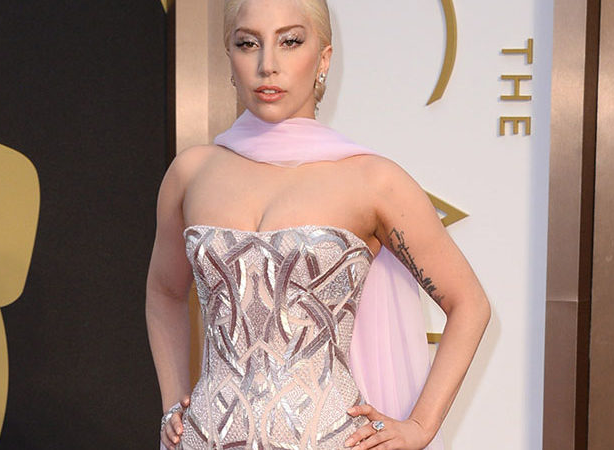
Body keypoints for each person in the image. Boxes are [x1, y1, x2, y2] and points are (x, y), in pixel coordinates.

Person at [146, 0, 490, 448]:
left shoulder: (373, 181)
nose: (268, 65)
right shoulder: (191, 173)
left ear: (323, 59)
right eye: (248, 43)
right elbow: (165, 292)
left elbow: (469, 303)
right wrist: (173, 404)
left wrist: (421, 426)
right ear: (229, 56)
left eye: (290, 41)